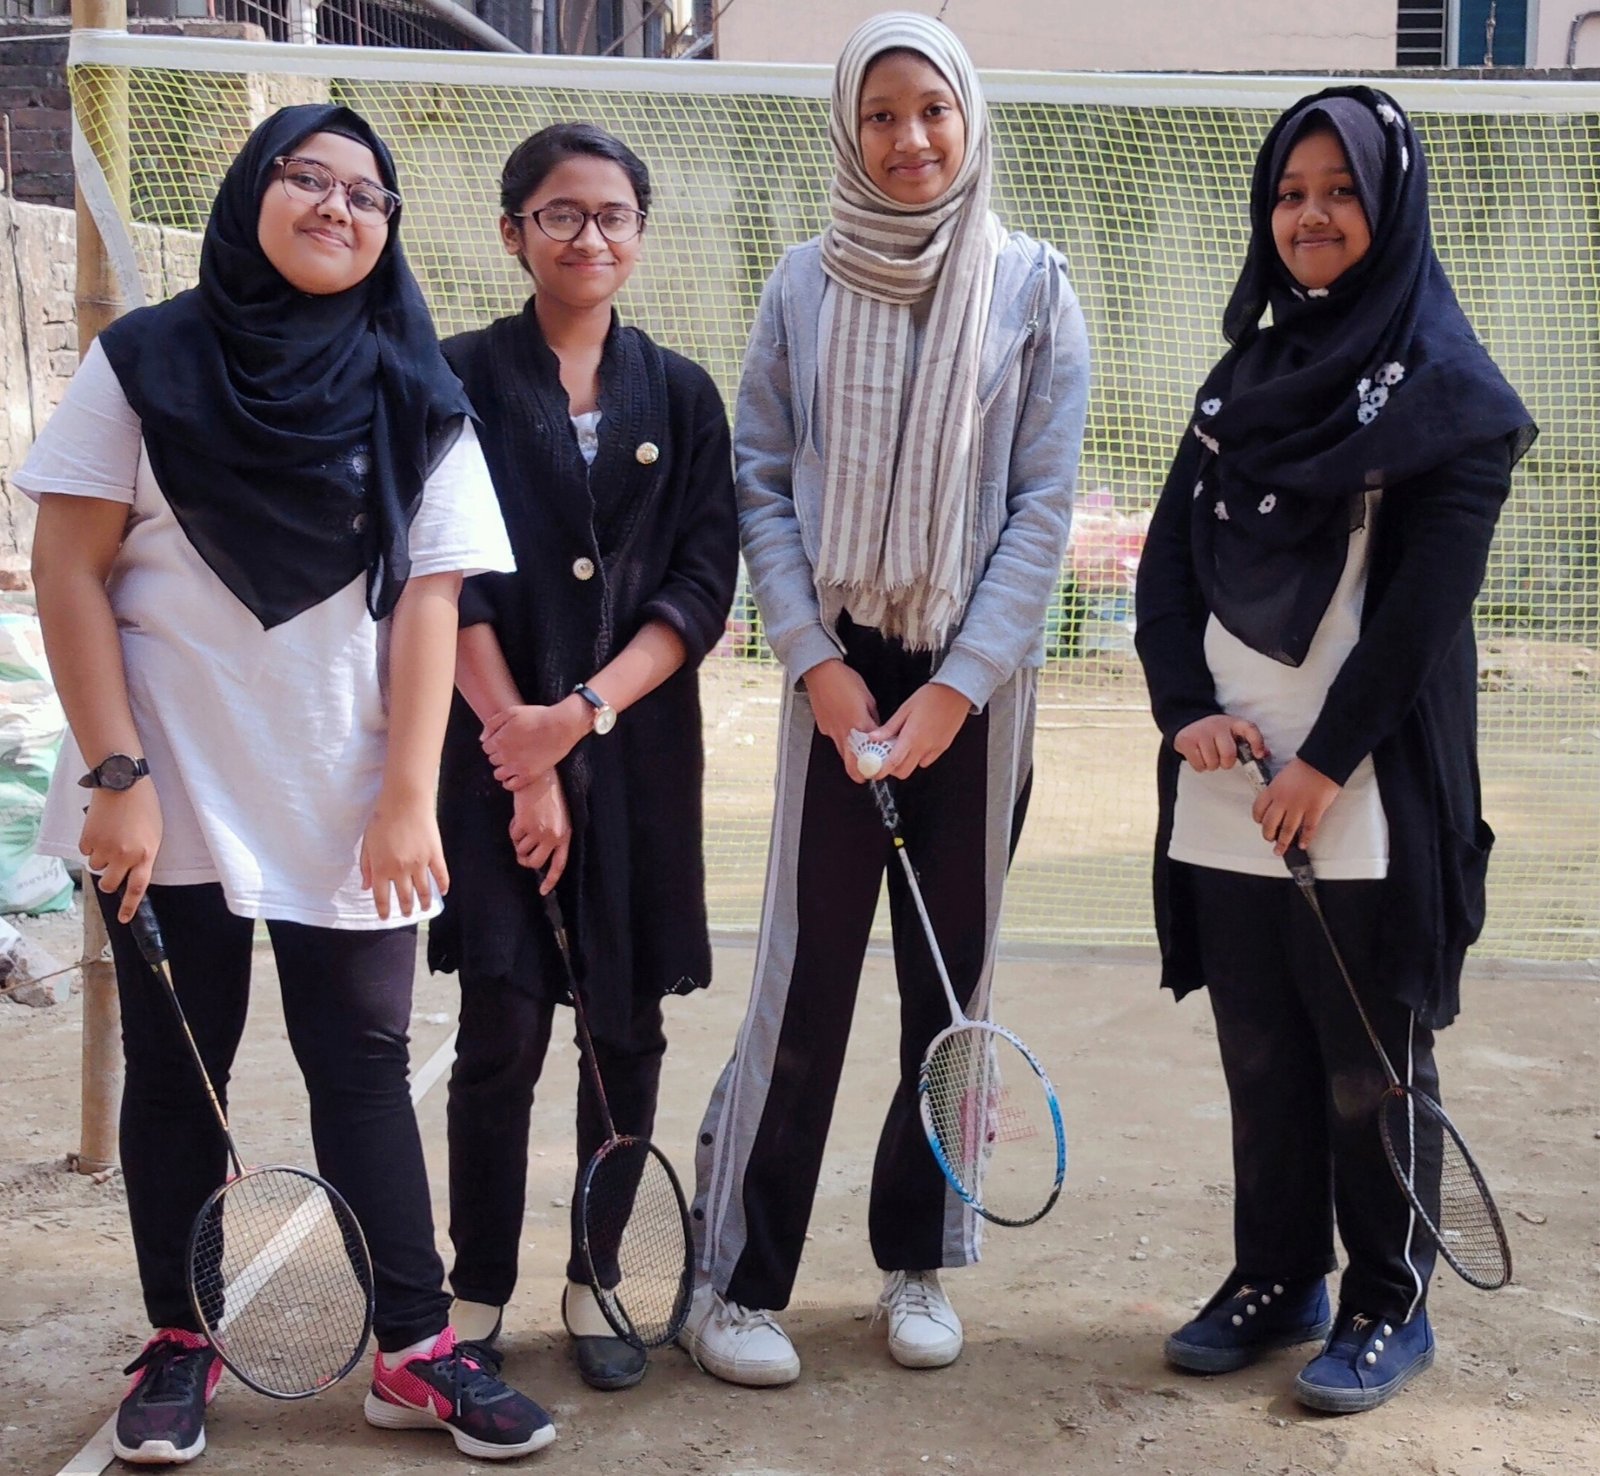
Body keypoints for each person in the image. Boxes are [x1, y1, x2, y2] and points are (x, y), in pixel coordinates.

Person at [21, 105, 557, 1462]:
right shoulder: (139, 365)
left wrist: (404, 797)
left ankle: (415, 1352)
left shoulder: (420, 387)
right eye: (306, 179)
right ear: (251, 195)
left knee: (364, 1067)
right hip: (166, 789)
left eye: (366, 193)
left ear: (388, 231)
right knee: (173, 1068)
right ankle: (178, 1340)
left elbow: (431, 605)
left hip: (349, 799)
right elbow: (66, 571)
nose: (337, 206)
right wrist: (116, 775)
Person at [679, 11, 1090, 1387]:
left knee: (948, 985)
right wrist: (819, 659)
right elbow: (758, 476)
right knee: (801, 984)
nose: (908, 139)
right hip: (839, 679)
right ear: (848, 131)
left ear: (968, 121)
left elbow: (1041, 510)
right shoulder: (802, 282)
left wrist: (960, 691)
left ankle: (919, 1263)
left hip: (977, 692)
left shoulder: (1036, 287)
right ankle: (735, 1282)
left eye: (932, 111)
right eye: (880, 114)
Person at [1134, 87, 1536, 1413]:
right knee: (1259, 1043)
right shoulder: (1240, 379)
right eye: (1291, 191)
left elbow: (1423, 615)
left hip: (1366, 779)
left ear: (1390, 204)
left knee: (1370, 1060)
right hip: (1223, 775)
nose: (1310, 214)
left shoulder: (1454, 397)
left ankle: (1385, 1300)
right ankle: (1275, 1274)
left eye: (1340, 190)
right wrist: (1184, 703)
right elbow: (1168, 564)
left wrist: (1326, 765)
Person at [428, 123, 737, 1391]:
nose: (589, 235)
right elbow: (441, 574)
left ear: (638, 236)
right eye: (560, 214)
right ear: (514, 233)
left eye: (612, 214)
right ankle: (478, 1287)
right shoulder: (451, 378)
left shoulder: (684, 395)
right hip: (491, 750)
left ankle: (596, 1276)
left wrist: (586, 717)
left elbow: (702, 586)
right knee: (499, 1020)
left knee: (625, 1025)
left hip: (640, 758)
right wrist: (526, 750)